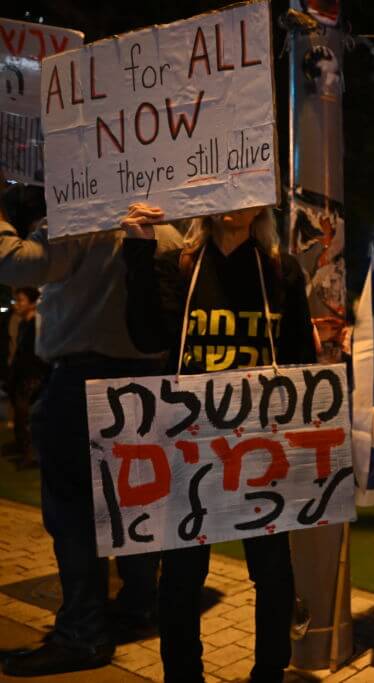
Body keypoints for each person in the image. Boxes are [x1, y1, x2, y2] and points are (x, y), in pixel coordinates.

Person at [120, 202, 316, 683]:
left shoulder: (279, 270)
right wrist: (138, 249)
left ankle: (269, 672)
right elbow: (146, 336)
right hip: (190, 448)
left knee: (272, 572)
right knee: (183, 576)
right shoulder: (179, 266)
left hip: (257, 447)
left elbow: (299, 359)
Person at [0, 186, 173, 676]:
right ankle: (137, 606)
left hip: (83, 379)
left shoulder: (85, 211)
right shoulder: (167, 219)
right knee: (138, 500)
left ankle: (82, 633)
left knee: (74, 513)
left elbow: (19, 265)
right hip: (147, 381)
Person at [7, 287, 47, 467]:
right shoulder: (23, 324)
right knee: (21, 416)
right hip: (22, 376)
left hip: (33, 377)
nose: (17, 304)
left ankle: (32, 455)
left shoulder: (37, 325)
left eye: (21, 300)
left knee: (29, 417)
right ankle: (24, 450)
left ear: (32, 303)